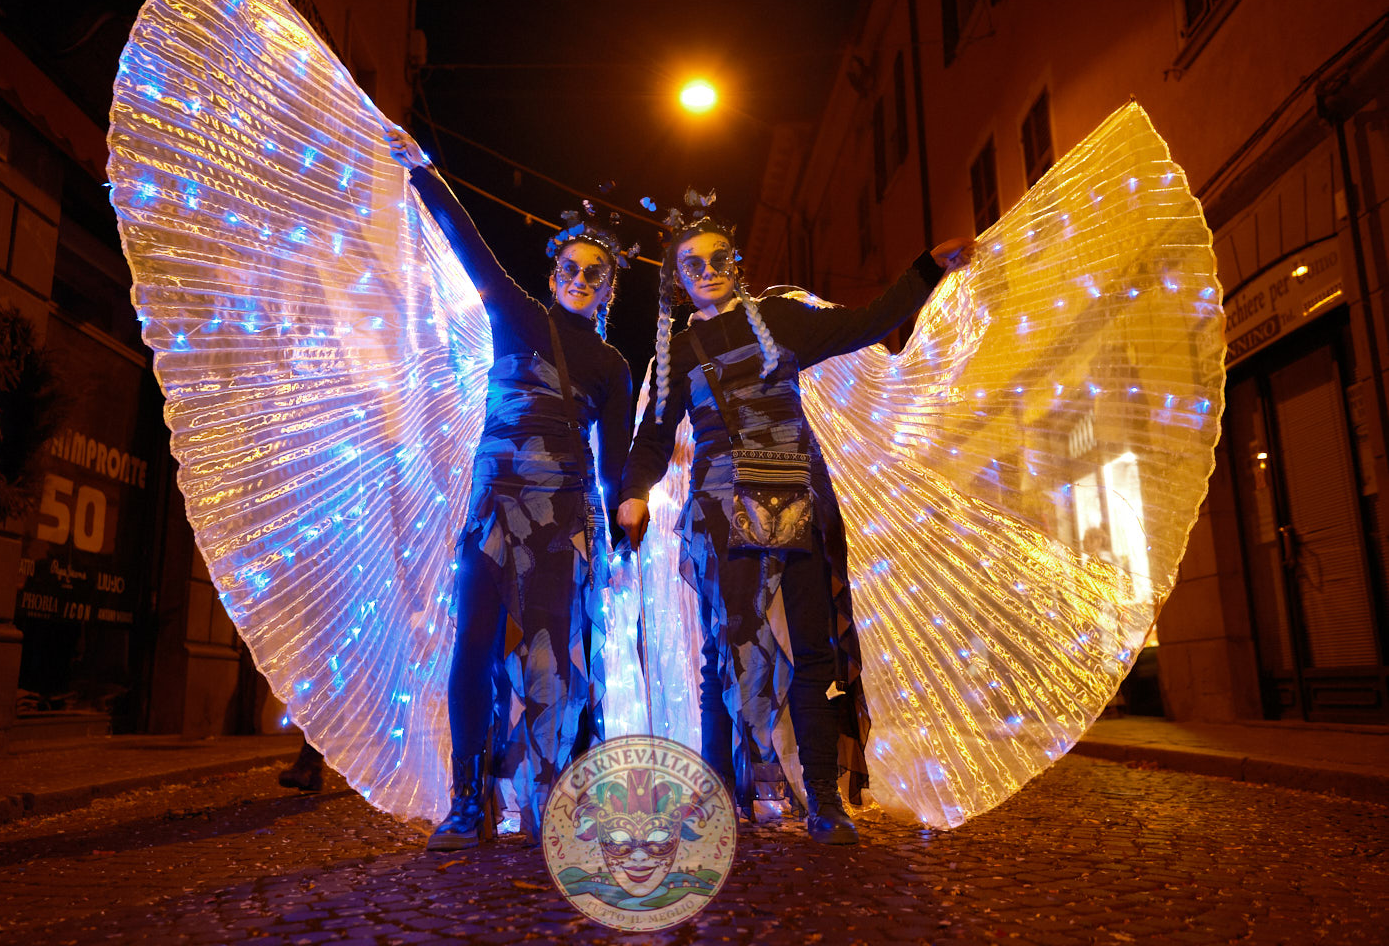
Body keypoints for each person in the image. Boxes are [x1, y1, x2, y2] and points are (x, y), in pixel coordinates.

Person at [617, 206, 972, 844]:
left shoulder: (779, 319)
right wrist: (634, 493)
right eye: (693, 264)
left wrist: (927, 270)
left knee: (813, 648)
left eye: (719, 259)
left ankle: (823, 800)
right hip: (722, 508)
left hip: (796, 495)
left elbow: (866, 323)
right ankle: (719, 796)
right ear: (678, 280)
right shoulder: (678, 350)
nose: (708, 271)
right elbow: (654, 433)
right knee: (728, 651)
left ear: (736, 265)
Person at [386, 128, 635, 849]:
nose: (580, 279)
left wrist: (623, 523)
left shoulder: (612, 366)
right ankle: (468, 801)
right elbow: (470, 248)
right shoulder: (516, 315)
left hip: (566, 519)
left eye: (594, 273)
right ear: (553, 274)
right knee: (474, 645)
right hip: (494, 506)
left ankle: (552, 795)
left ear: (609, 288)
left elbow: (615, 459)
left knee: (555, 658)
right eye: (570, 268)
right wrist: (426, 173)